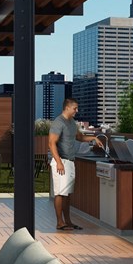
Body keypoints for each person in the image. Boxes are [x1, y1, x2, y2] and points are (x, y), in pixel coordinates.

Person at [48, 97, 103, 231]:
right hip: (61, 162)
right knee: (60, 193)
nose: (76, 111)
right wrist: (59, 162)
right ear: (67, 107)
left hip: (70, 162)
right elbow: (51, 143)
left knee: (67, 193)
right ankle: (60, 223)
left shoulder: (72, 122)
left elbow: (79, 137)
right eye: (75, 108)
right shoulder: (58, 122)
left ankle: (68, 221)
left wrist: (94, 138)